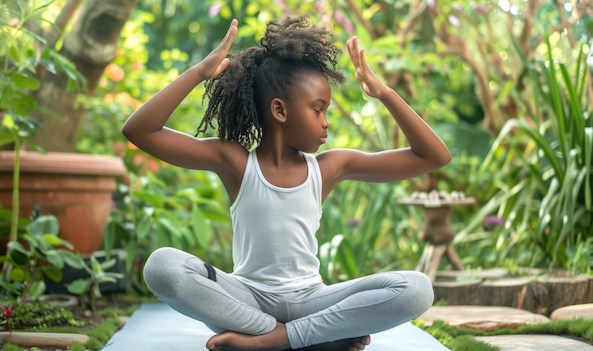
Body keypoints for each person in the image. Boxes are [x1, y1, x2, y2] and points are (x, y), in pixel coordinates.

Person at [123, 15, 451, 351]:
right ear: (280, 110)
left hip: (312, 299)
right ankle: (306, 337)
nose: (326, 123)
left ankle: (276, 339)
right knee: (162, 266)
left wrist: (384, 94)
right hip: (245, 302)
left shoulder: (330, 167)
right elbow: (140, 131)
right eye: (318, 110)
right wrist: (199, 73)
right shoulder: (235, 162)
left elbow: (433, 157)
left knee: (416, 288)